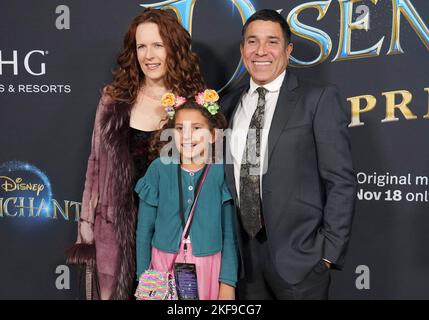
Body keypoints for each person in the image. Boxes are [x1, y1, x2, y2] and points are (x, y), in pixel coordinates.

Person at [66, 8, 205, 300]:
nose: (149, 55)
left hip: (173, 237)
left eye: (158, 45)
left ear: (173, 48)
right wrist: (87, 227)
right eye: (141, 46)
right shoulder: (113, 99)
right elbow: (95, 165)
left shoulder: (196, 103)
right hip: (115, 237)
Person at [221, 9, 357, 300]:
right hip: (243, 262)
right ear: (243, 48)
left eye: (272, 42)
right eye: (252, 41)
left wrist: (328, 253)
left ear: (288, 49)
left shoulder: (318, 98)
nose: (261, 51)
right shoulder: (227, 105)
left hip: (301, 261)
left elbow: (341, 181)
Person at [135, 93, 238, 300]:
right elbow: (144, 230)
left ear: (213, 135)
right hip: (162, 265)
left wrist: (228, 282)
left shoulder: (220, 172)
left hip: (208, 265)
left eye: (197, 128)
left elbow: (229, 234)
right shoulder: (159, 169)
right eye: (180, 129)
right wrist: (143, 277)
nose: (188, 136)